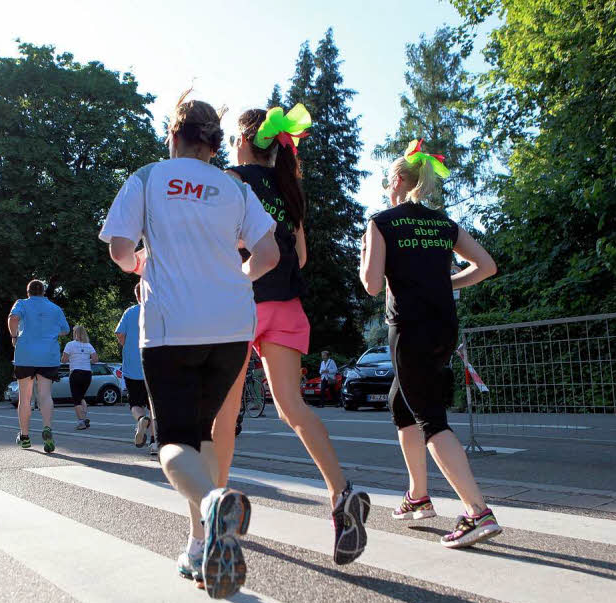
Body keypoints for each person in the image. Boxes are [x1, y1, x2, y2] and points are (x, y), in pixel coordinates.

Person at [99, 92, 280, 599]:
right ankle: (200, 546)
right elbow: (268, 254)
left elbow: (119, 249)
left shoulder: (148, 177)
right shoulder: (232, 187)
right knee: (202, 435)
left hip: (172, 327)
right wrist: (237, 275)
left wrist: (141, 265)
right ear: (213, 145)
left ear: (172, 136)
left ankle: (214, 504)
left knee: (173, 442)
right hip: (231, 327)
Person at [211, 105, 370, 568]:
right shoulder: (288, 188)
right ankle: (340, 494)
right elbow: (298, 256)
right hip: (288, 304)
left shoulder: (231, 179)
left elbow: (222, 236)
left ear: (242, 143)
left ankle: (219, 510)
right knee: (292, 407)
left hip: (242, 299)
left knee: (226, 410)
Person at [360, 138, 502, 549]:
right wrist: (446, 282)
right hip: (444, 326)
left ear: (398, 181)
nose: (387, 190)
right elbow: (487, 266)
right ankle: (418, 497)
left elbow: (371, 286)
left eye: (389, 182)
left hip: (409, 327)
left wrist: (367, 253)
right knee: (400, 402)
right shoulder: (444, 224)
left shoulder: (382, 221)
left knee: (430, 419)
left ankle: (478, 512)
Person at [8, 279, 70, 453]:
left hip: (25, 355)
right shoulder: (55, 308)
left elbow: (13, 318)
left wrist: (14, 336)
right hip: (48, 356)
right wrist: (50, 330)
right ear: (44, 292)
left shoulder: (21, 304)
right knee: (45, 395)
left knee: (25, 397)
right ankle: (47, 428)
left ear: (28, 292)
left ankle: (25, 436)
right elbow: (65, 329)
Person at [115, 282, 157, 456]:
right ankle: (155, 443)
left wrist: (127, 345)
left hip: (133, 366)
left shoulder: (130, 312)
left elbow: (120, 334)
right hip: (155, 365)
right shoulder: (159, 310)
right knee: (154, 406)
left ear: (137, 296)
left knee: (135, 403)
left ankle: (141, 419)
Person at [62, 325, 99, 430]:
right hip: (87, 374)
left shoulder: (70, 345)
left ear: (75, 334)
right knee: (81, 396)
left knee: (76, 399)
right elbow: (96, 359)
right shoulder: (89, 345)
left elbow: (64, 360)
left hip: (76, 373)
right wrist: (86, 360)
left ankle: (81, 422)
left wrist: (71, 359)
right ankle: (84, 418)